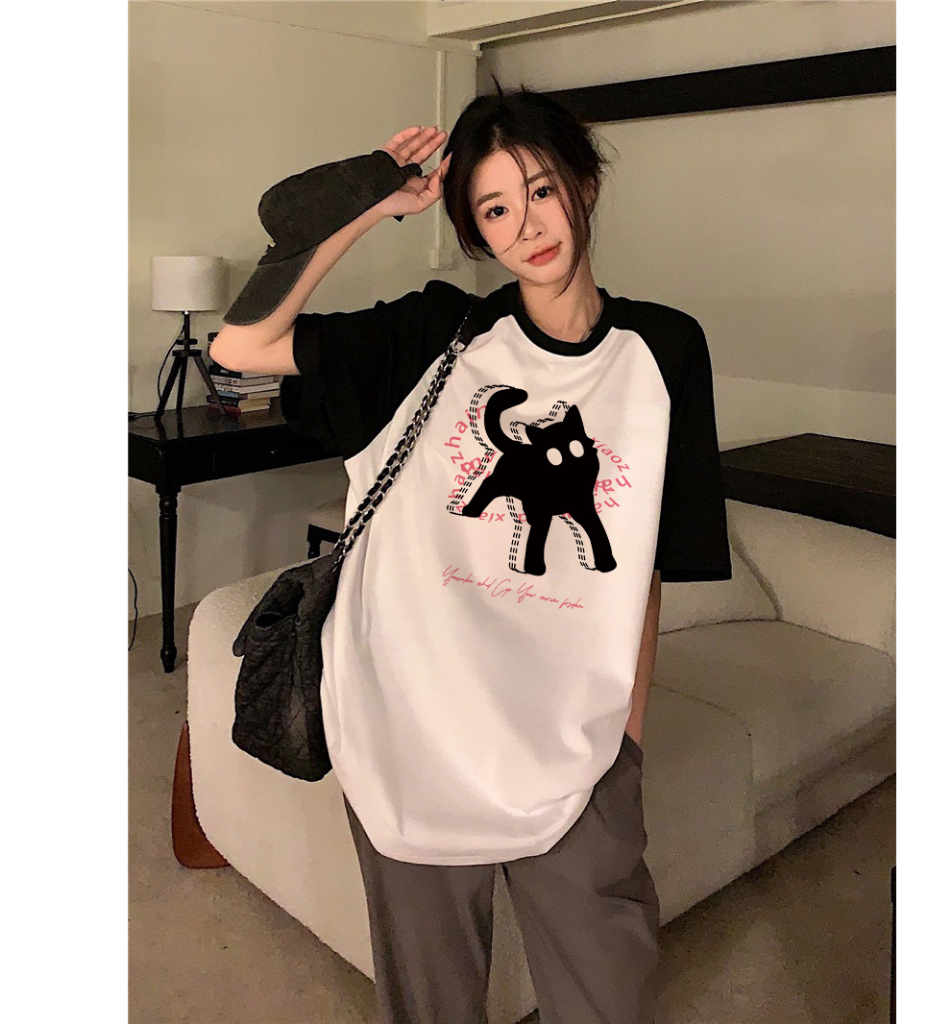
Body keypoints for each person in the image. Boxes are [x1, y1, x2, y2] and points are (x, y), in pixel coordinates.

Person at [211, 79, 732, 1024]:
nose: (526, 225)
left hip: (574, 741)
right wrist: (365, 207)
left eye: (541, 189)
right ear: (477, 233)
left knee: (606, 995)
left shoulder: (665, 350)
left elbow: (647, 562)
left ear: (585, 183)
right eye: (494, 209)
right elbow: (243, 347)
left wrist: (626, 737)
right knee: (432, 1004)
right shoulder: (437, 335)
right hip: (412, 726)